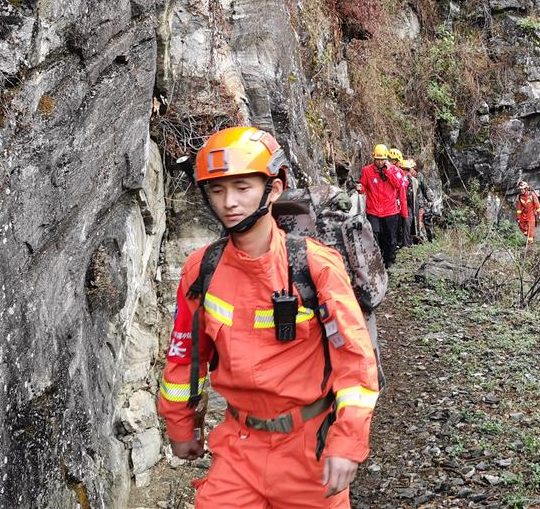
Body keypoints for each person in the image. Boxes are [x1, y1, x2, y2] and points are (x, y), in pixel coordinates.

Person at [158, 126, 379, 508]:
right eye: (217, 190)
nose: (229, 202)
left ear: (273, 189)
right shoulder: (202, 270)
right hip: (237, 448)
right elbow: (185, 355)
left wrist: (347, 441)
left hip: (309, 451)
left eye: (242, 188)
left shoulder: (315, 266)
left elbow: (356, 363)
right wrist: (180, 423)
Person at [357, 144, 404, 267]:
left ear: (386, 159)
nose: (380, 162)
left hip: (390, 211)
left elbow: (399, 185)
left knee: (390, 238)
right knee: (374, 235)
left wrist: (388, 171)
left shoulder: (394, 170)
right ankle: (377, 260)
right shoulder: (367, 170)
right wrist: (360, 189)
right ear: (373, 158)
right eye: (377, 159)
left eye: (382, 159)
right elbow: (364, 186)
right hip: (373, 210)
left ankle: (389, 259)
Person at [388, 148, 410, 248]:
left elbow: (402, 187)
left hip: (397, 204)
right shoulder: (388, 171)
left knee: (398, 226)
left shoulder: (399, 173)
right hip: (391, 204)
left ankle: (399, 244)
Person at [514, 181, 540, 246]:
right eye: (520, 189)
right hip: (524, 214)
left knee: (531, 229)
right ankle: (529, 236)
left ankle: (530, 244)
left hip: (531, 214)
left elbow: (537, 205)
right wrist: (518, 217)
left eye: (522, 189)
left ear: (526, 188)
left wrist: (539, 214)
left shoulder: (532, 195)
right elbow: (519, 209)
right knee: (521, 226)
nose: (521, 191)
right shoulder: (520, 197)